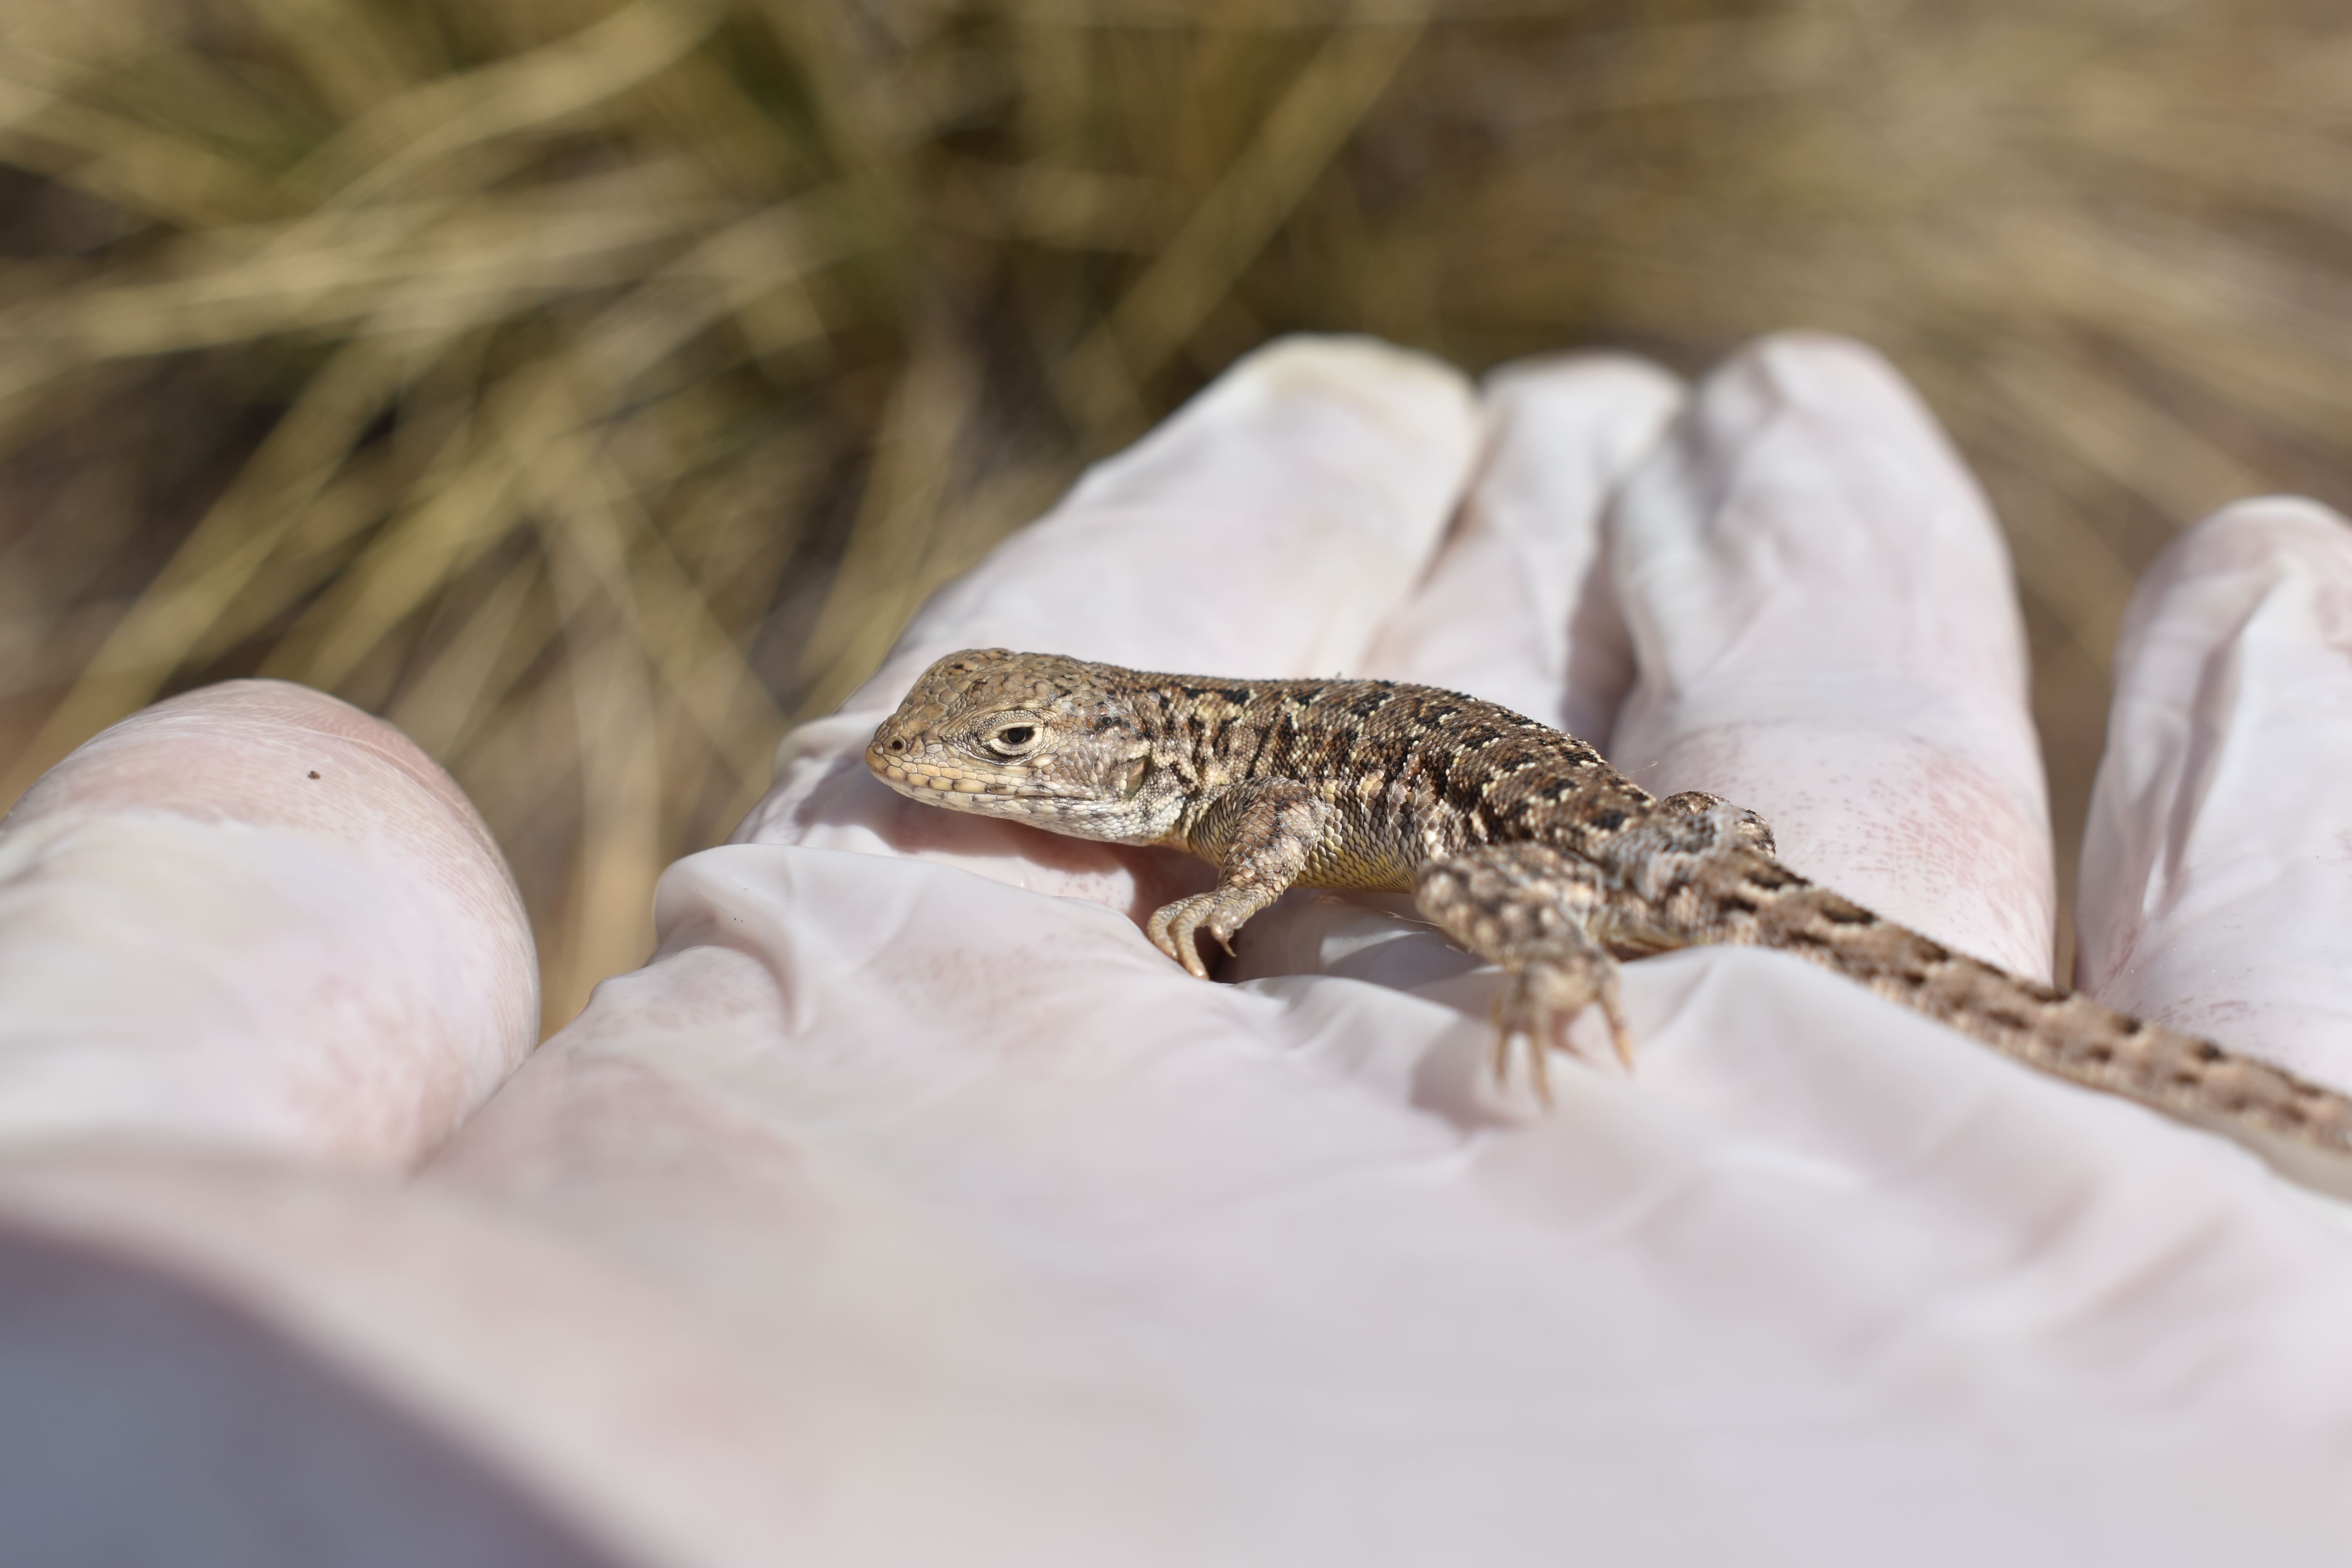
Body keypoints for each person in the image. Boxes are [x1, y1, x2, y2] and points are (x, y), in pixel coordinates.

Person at [4, 334, 2351, 1566]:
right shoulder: (1181, 744)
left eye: (999, 742)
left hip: (1617, 865)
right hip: (1645, 824)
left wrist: (1253, 909)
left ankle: (1570, 962)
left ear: (1092, 747)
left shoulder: (1237, 774)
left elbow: (1334, 808)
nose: (954, 769)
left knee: (1680, 912)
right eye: (977, 748)